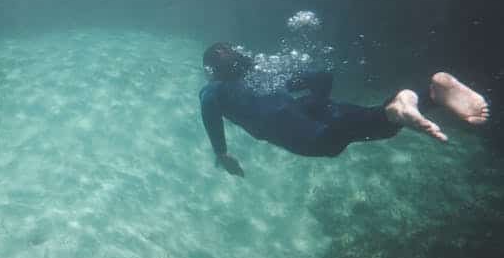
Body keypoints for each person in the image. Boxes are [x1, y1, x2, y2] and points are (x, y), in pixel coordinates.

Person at [199, 42, 491, 177]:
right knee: (376, 119)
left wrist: (221, 153)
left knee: (342, 140)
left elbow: (209, 112)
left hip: (303, 133)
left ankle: (409, 103)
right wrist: (318, 101)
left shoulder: (213, 90)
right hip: (318, 108)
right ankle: (431, 95)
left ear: (210, 70)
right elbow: (321, 77)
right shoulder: (265, 75)